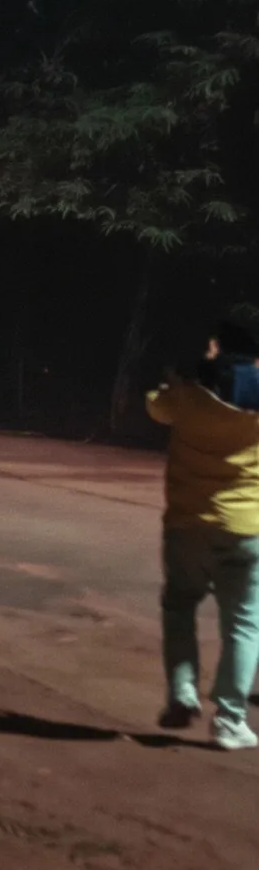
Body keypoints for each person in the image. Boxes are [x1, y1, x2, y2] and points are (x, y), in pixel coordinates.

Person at [146, 318, 259, 750]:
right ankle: (230, 722)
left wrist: (182, 375)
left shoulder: (187, 395)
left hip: (187, 525)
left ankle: (182, 692)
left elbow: (154, 406)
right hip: (247, 528)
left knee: (179, 605)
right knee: (245, 625)